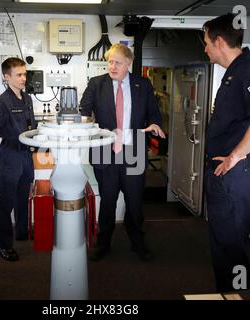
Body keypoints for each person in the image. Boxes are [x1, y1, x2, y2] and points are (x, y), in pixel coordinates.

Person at [202, 13, 250, 292]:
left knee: (232, 251)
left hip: (233, 178)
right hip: (226, 177)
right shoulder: (234, 73)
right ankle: (229, 295)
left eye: (207, 43)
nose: (205, 48)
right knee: (224, 249)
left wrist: (235, 155)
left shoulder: (247, 71)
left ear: (220, 41)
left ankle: (239, 296)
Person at [79, 43, 165, 262]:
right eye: (109, 61)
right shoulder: (96, 83)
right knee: (107, 201)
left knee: (135, 202)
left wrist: (154, 124)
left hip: (132, 151)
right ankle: (103, 243)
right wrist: (88, 125)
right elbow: (83, 112)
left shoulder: (143, 85)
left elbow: (154, 114)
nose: (112, 66)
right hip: (104, 151)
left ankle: (138, 242)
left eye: (117, 62)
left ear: (128, 64)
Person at [0, 57, 36, 261]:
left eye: (25, 74)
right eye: (19, 75)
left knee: (23, 197)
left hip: (25, 155)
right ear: (7, 77)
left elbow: (30, 127)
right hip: (9, 155)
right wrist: (2, 151)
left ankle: (21, 233)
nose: (24, 78)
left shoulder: (27, 98)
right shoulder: (1, 103)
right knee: (5, 202)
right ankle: (4, 245)